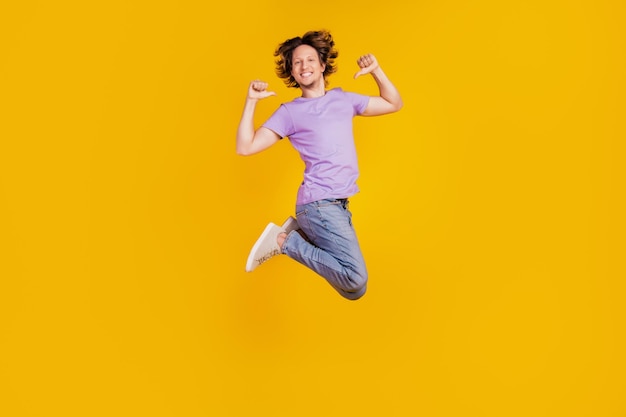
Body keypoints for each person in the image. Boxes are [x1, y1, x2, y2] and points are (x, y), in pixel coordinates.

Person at [236, 30, 402, 300]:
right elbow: (245, 147)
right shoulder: (289, 112)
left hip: (339, 204)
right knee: (354, 277)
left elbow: (394, 103)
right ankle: (284, 241)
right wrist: (251, 102)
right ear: (292, 71)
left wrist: (376, 71)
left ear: (322, 65)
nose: (304, 66)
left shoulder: (343, 99)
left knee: (354, 291)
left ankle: (297, 236)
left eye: (310, 60)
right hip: (319, 204)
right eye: (297, 62)